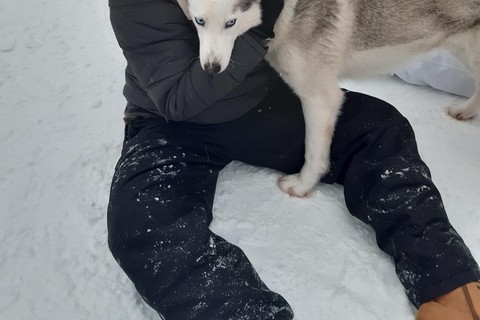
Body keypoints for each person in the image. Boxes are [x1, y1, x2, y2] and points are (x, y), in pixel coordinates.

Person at [106, 0, 480, 319]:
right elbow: (177, 100)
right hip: (170, 124)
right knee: (141, 222)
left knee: (379, 127)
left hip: (257, 106)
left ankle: (447, 280)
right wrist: (260, 28)